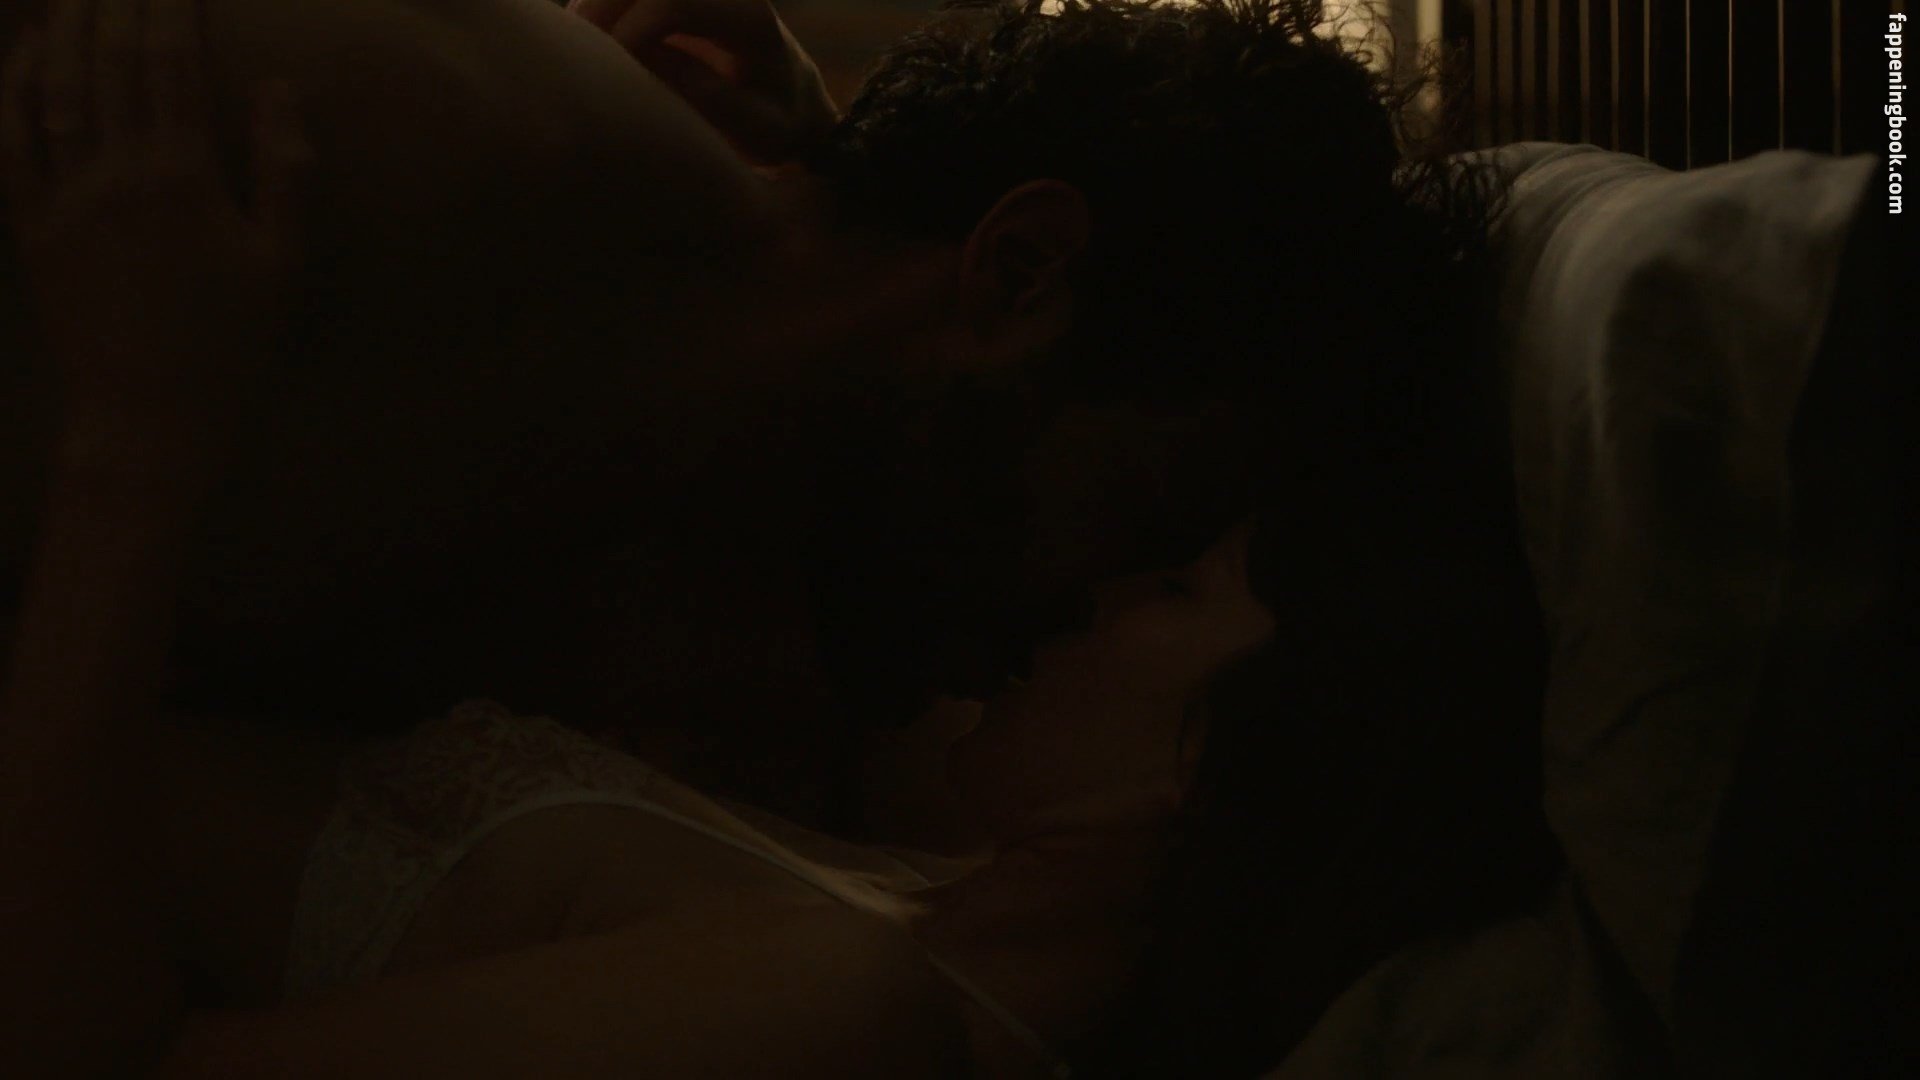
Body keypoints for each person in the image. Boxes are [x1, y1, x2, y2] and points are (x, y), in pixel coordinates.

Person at [1, 0, 1551, 1076]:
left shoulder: (704, 467)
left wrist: (861, 185)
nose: (1080, 601)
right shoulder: (425, 163)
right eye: (1145, 525)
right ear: (1018, 274)